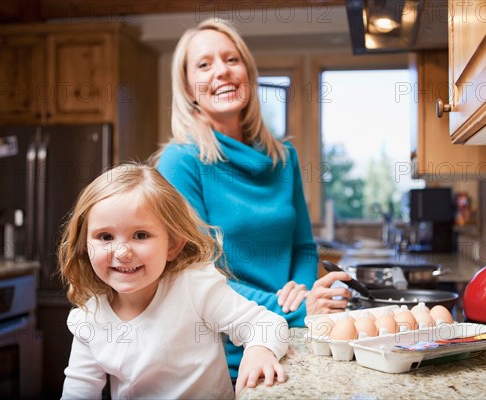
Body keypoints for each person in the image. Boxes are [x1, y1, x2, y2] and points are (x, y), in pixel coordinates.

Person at [155, 18, 352, 380]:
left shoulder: (284, 157)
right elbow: (195, 271)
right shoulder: (181, 161)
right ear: (187, 88)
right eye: (204, 64)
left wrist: (303, 292)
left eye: (232, 59)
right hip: (226, 350)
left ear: (248, 71)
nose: (222, 72)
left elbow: (303, 248)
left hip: (297, 336)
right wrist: (294, 308)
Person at [58, 164, 289, 399]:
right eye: (105, 237)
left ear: (173, 245)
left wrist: (259, 352)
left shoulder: (194, 287)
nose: (122, 252)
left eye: (140, 235)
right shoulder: (89, 318)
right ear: (84, 246)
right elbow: (79, 391)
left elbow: (268, 324)